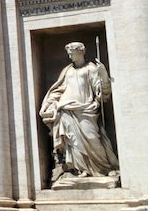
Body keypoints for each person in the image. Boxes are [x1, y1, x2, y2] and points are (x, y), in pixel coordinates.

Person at [39, 42, 119, 182]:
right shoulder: (68, 70)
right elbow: (59, 89)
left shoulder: (91, 68)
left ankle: (103, 168)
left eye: (71, 52)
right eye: (68, 53)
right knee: (73, 141)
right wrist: (50, 103)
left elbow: (101, 91)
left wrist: (103, 74)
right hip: (67, 109)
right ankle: (81, 170)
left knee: (92, 138)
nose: (69, 56)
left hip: (86, 109)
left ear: (80, 52)